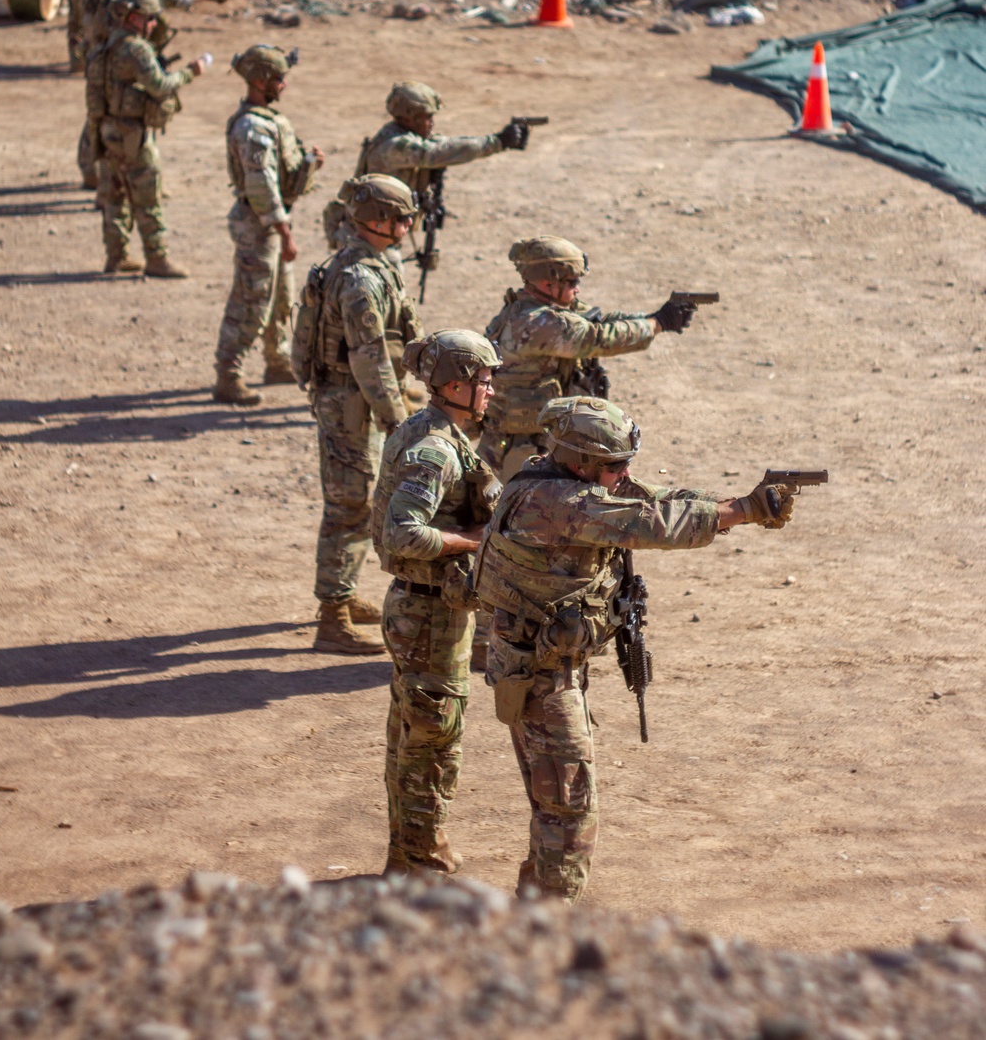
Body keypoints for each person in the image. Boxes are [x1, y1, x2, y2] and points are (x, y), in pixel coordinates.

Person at [475, 394, 797, 904]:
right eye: (615, 466)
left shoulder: (564, 477)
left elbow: (658, 498)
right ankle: (542, 929)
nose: (624, 475)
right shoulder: (559, 504)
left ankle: (532, 912)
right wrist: (743, 511)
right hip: (540, 675)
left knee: (553, 803)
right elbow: (649, 523)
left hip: (544, 665)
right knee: (570, 810)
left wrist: (740, 506)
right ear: (580, 462)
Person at [372, 330, 502, 875]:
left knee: (414, 732)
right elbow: (401, 533)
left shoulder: (426, 428)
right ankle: (417, 865)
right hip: (428, 615)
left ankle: (415, 850)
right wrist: (474, 541)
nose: (492, 389)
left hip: (421, 609)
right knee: (433, 739)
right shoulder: (434, 448)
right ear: (454, 385)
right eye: (484, 380)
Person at [290, 174, 422, 654]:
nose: (410, 224)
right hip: (349, 402)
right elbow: (369, 357)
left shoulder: (370, 262)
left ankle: (341, 596)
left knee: (362, 500)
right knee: (348, 504)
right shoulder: (359, 279)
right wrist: (395, 417)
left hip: (355, 397)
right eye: (403, 217)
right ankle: (332, 619)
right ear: (379, 221)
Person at [480, 236, 703, 482]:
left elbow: (598, 319)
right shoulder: (536, 322)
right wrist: (657, 323)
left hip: (534, 440)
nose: (578, 289)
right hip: (520, 449)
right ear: (548, 282)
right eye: (572, 282)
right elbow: (595, 337)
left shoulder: (547, 309)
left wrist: (651, 318)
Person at [77, 0, 232, 189]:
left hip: (111, 49)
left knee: (104, 108)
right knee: (117, 109)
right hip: (121, 52)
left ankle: (96, 172)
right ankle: (111, 176)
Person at [213, 46, 324, 407]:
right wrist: (284, 233)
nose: (284, 85)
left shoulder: (267, 120)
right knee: (250, 300)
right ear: (259, 81)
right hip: (259, 226)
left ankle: (277, 361)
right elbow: (261, 187)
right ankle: (228, 374)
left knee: (280, 298)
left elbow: (280, 177)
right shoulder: (252, 128)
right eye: (278, 78)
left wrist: (309, 165)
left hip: (270, 224)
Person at [85, 0, 207, 277]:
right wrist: (191, 72)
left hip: (107, 131)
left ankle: (117, 257)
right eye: (150, 18)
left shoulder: (101, 49)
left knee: (115, 195)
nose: (153, 24)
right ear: (132, 17)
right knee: (147, 197)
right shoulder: (136, 49)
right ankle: (157, 259)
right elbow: (160, 85)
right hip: (133, 136)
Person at [322, 82, 531, 250]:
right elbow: (436, 153)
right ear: (409, 117)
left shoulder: (407, 137)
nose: (432, 122)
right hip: (364, 238)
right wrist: (497, 141)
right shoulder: (395, 146)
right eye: (427, 117)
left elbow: (443, 145)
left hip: (380, 232)